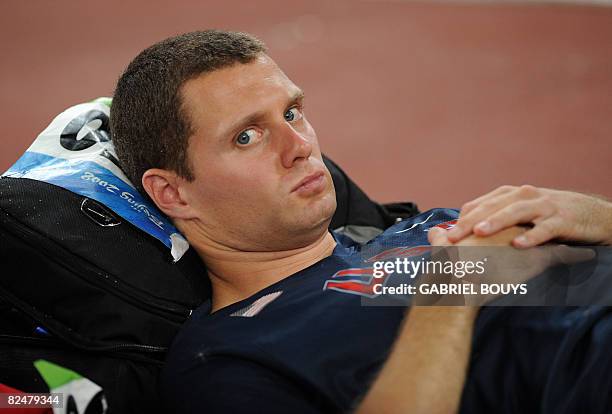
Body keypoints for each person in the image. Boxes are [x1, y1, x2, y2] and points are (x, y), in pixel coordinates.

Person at [110, 30, 612, 413]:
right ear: (172, 192)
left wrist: (596, 216)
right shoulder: (224, 359)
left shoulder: (414, 230)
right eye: (247, 136)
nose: (300, 147)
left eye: (292, 113)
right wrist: (453, 288)